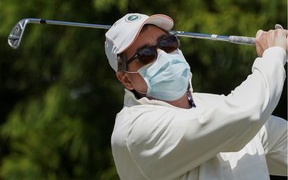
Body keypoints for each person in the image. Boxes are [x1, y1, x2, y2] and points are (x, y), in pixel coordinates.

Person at [104, 13, 287, 180]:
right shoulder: (134, 130)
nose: (163, 56)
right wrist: (274, 54)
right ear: (126, 79)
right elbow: (247, 113)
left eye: (167, 43)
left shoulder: (215, 105)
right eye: (145, 55)